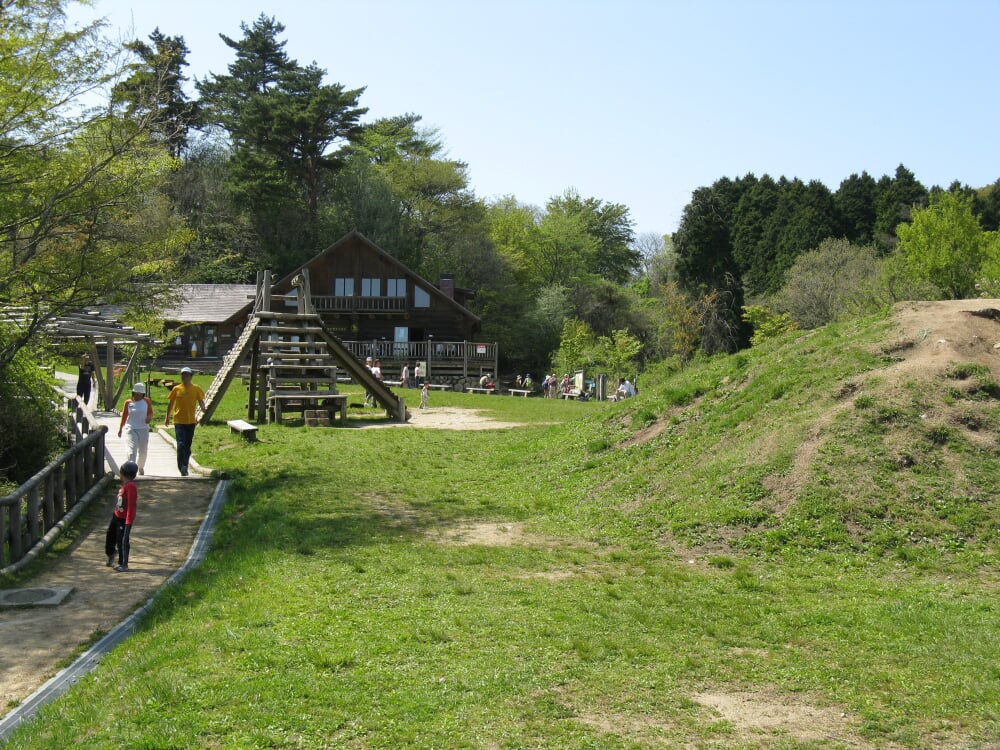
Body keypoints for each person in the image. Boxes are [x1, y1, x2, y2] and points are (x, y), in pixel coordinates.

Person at [164, 367, 206, 476]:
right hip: (179, 421)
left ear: (191, 377)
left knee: (187, 446)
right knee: (181, 444)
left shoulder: (196, 388)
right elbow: (171, 403)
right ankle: (181, 466)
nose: (185, 377)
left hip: (191, 421)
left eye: (187, 375)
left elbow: (201, 401)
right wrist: (167, 417)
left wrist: (203, 408)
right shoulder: (176, 389)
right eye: (183, 375)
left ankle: (185, 465)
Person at [105, 461, 138, 571]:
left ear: (122, 473)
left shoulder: (131, 487)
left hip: (124, 520)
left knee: (122, 541)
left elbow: (131, 505)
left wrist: (128, 520)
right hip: (116, 516)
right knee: (110, 536)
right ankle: (111, 553)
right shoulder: (125, 485)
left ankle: (123, 563)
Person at [118, 383, 153, 475]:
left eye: (140, 394)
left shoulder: (147, 401)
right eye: (136, 393)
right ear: (133, 393)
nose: (137, 396)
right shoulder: (128, 403)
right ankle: (130, 471)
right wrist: (120, 428)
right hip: (131, 428)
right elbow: (124, 416)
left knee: (143, 452)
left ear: (143, 394)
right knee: (131, 450)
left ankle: (140, 467)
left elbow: (150, 413)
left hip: (143, 429)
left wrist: (149, 418)